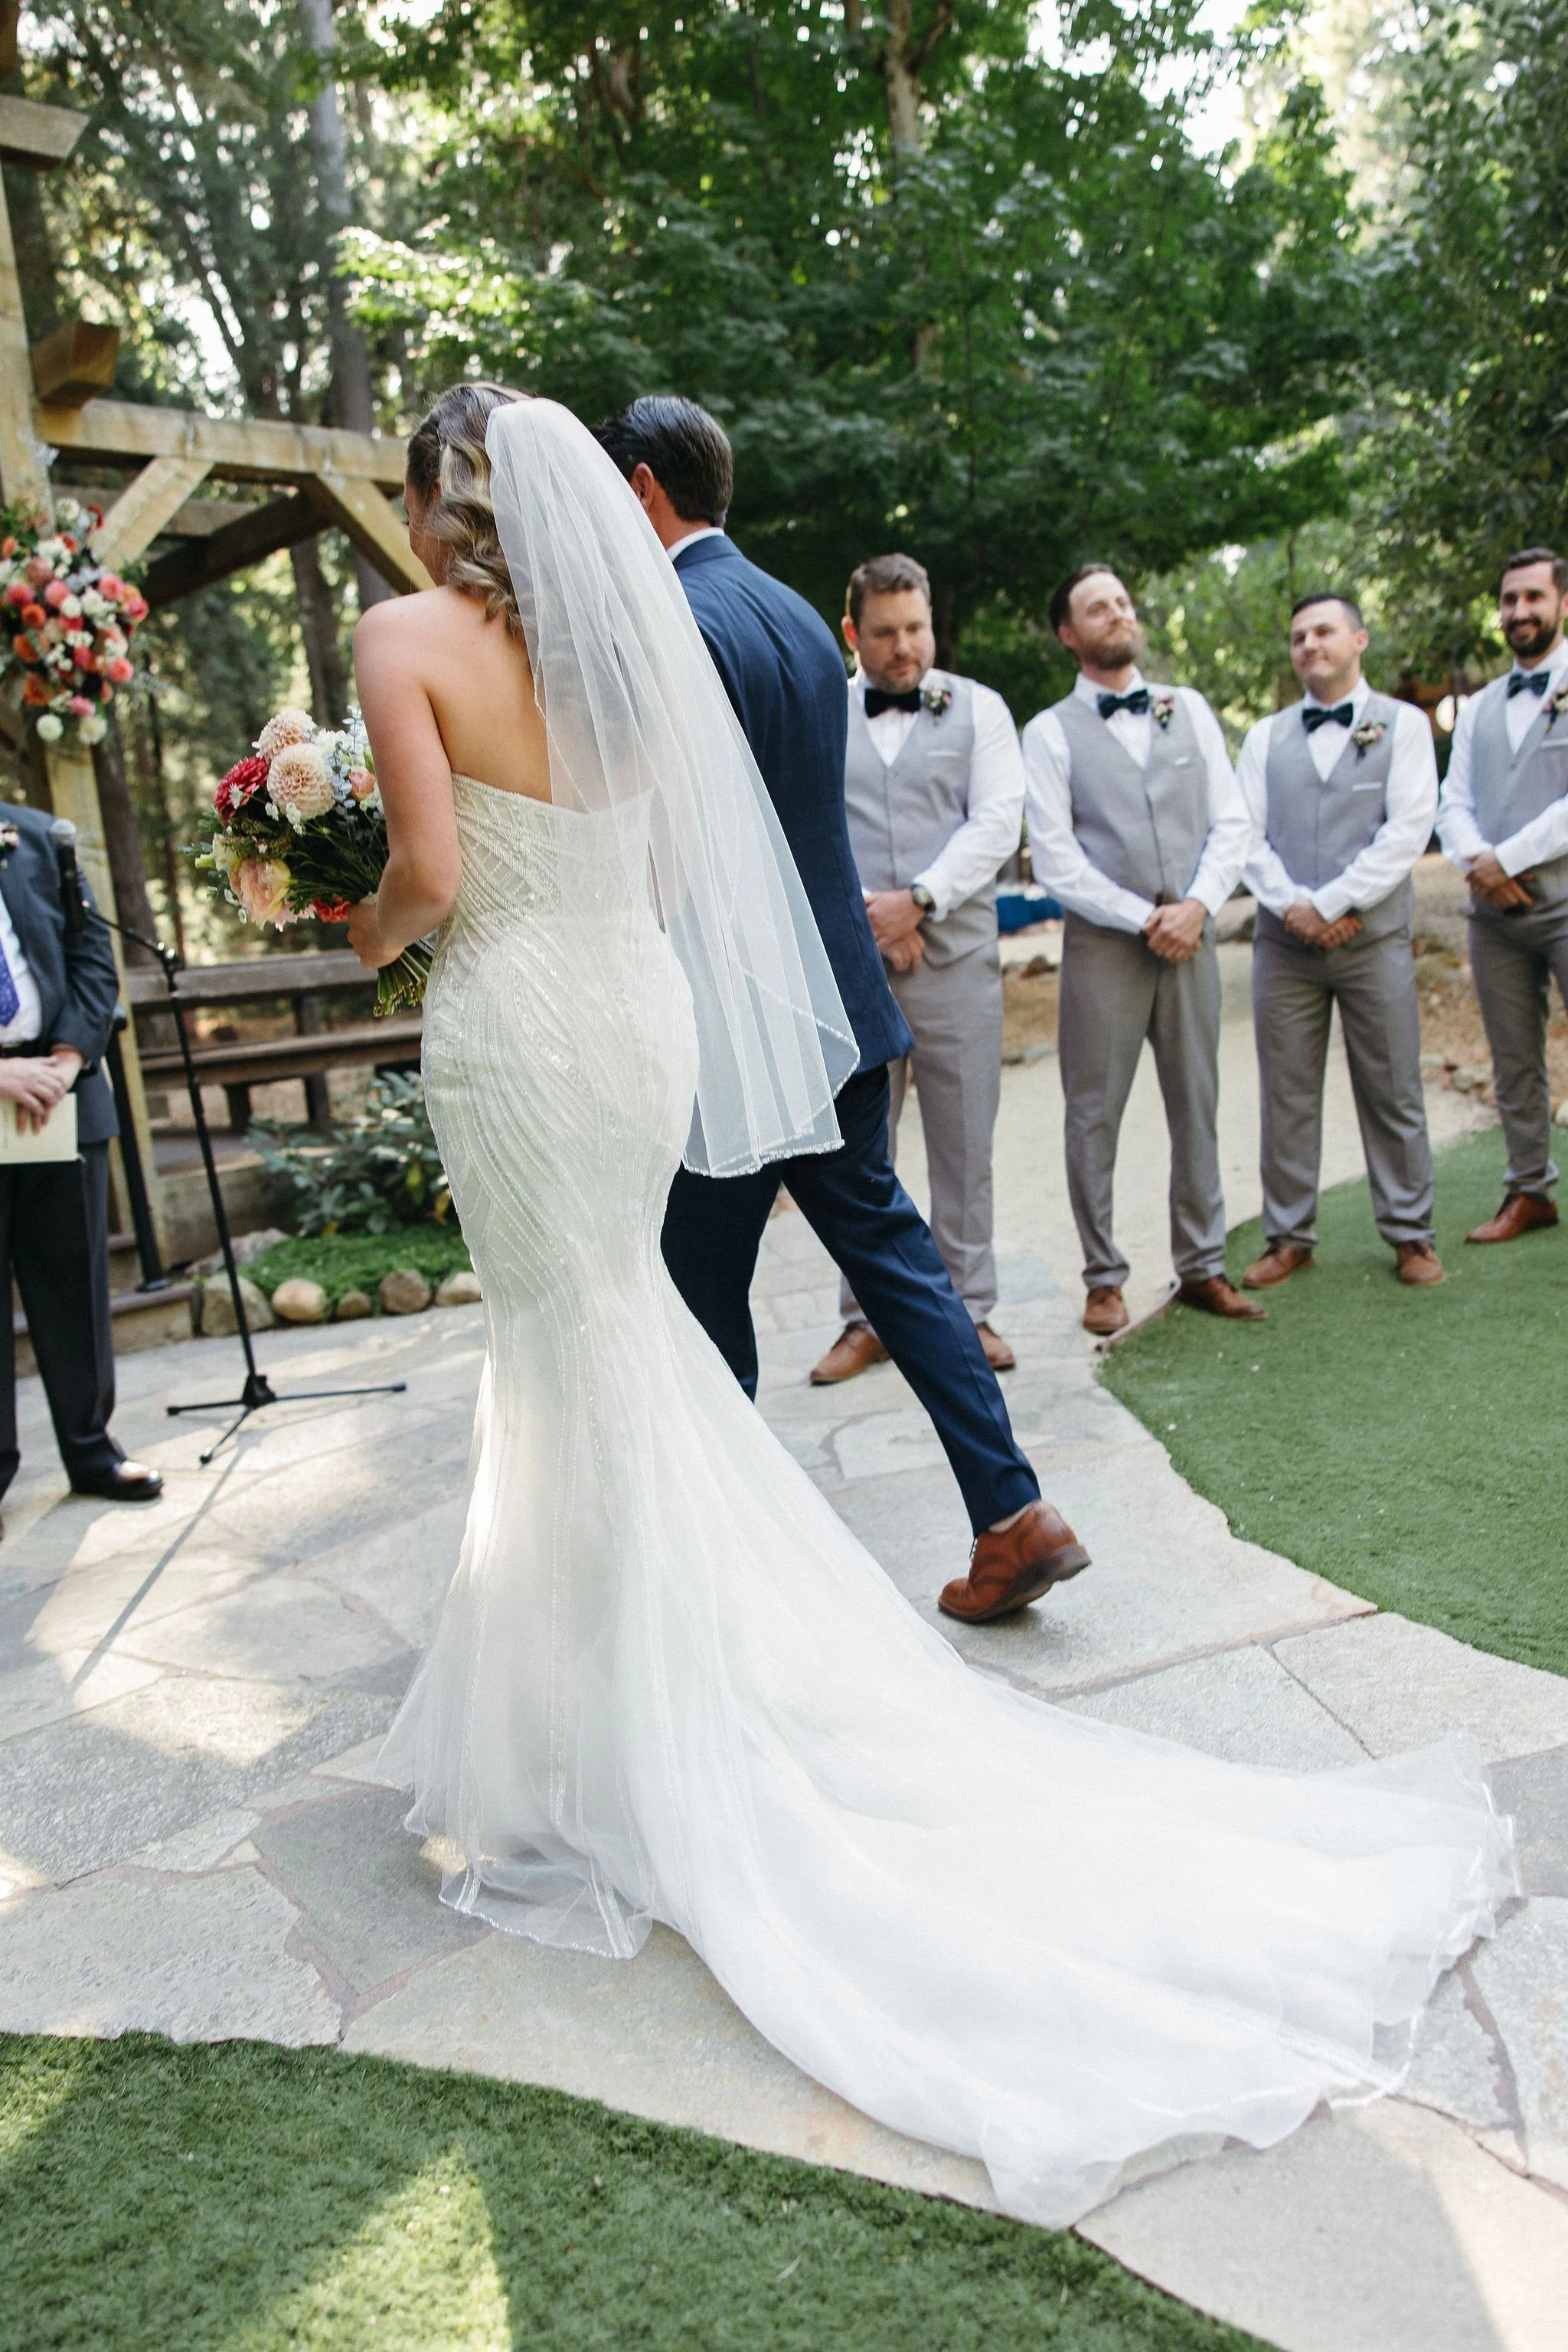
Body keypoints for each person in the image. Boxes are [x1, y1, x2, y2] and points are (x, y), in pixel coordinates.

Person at [348, 384, 1511, 2236]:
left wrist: (359, 913)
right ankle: (974, 1508)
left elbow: (422, 870)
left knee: (617, 1345)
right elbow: (670, 854)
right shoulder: (682, 627)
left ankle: (650, 1694)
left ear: (444, 502)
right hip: (664, 1008)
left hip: (540, 1019)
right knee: (701, 1322)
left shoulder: (417, 635)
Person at [593, 396, 1070, 1623]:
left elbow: (665, 843)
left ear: (642, 489)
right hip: (839, 1009)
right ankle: (1014, 1510)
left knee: (698, 1302)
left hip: (738, 1031)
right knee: (899, 1261)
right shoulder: (801, 615)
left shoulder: (676, 624)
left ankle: (724, 1580)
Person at [1022, 564, 1259, 1335]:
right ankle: (1102, 1277)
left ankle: (1202, 1266)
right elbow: (1055, 859)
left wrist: (1195, 907)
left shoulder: (1186, 709)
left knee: (1197, 1101)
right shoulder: (1049, 733)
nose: (1115, 614)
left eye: (1121, 602)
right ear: (1068, 633)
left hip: (1190, 940)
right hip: (1104, 951)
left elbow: (1231, 821)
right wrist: (1143, 917)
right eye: (1096, 607)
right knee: (1092, 1113)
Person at [812, 550, 1023, 1383]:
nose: (904, 648)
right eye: (885, 633)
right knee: (857, 1149)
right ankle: (864, 1319)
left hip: (954, 958)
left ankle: (969, 1311)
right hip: (854, 961)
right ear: (850, 633)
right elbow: (807, 818)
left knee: (963, 1140)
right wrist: (873, 914)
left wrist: (920, 902)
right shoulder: (820, 709)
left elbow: (997, 820)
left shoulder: (983, 711)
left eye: (916, 628)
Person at [1236, 593, 1444, 1289]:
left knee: (1391, 1085)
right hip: (1285, 946)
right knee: (1286, 1091)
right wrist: (1297, 909)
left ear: (1358, 639)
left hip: (1373, 938)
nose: (1309, 644)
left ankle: (1412, 1233)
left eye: (1323, 631)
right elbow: (1244, 834)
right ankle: (1290, 1235)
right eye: (1297, 636)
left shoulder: (1406, 725)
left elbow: (1408, 828)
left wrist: (1332, 903)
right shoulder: (1265, 737)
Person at [0, 805, 163, 1521]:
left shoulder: (41, 839)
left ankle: (92, 1450)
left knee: (75, 1281)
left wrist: (65, 1062)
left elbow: (94, 961)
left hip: (60, 1094)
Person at [1437, 546, 1568, 1244]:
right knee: (1514, 1057)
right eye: (1509, 600)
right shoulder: (1481, 705)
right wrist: (1476, 862)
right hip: (1495, 920)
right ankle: (1530, 1191)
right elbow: (1451, 802)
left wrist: (1502, 859)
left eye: (1533, 598)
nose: (1519, 612)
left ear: (1562, 603)